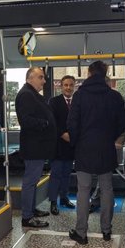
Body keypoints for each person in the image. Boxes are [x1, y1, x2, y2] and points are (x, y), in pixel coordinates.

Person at [67, 61, 125, 244]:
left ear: (90, 73)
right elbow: (121, 124)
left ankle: (81, 233)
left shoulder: (80, 95)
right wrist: (111, 138)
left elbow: (72, 123)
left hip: (84, 148)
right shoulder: (115, 96)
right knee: (107, 188)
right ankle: (106, 231)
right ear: (106, 72)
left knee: (83, 190)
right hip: (106, 148)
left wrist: (76, 143)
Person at [15, 67, 55, 228]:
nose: (44, 81)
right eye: (41, 77)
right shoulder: (26, 95)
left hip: (38, 146)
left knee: (33, 180)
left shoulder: (31, 94)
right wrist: (45, 123)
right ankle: (27, 217)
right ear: (30, 78)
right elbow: (26, 120)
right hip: (33, 147)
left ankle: (31, 209)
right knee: (30, 181)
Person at [47, 75, 77, 215]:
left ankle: (64, 197)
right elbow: (52, 122)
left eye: (71, 85)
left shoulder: (77, 101)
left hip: (71, 145)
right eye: (65, 85)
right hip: (58, 145)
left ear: (74, 86)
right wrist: (63, 134)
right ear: (61, 86)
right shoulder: (53, 102)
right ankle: (53, 201)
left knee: (67, 174)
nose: (68, 87)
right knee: (56, 174)